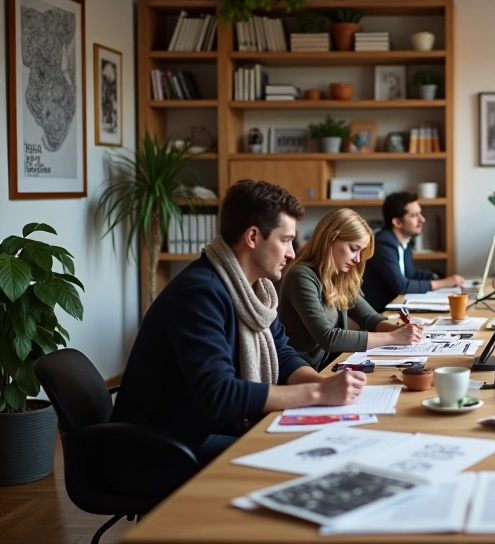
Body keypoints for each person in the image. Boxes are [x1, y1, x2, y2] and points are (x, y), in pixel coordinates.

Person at [111, 180, 366, 466]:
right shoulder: (201, 293)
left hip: (205, 429)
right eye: (285, 240)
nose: (292, 253)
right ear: (253, 237)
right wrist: (318, 393)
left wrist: (322, 382)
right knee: (307, 457)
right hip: (164, 445)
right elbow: (219, 394)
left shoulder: (255, 291)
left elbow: (282, 353)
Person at [278, 208, 424, 371]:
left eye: (361, 252)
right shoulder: (300, 275)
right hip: (300, 374)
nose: (358, 259)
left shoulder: (340, 275)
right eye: (354, 249)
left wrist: (399, 330)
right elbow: (329, 338)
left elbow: (369, 318)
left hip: (328, 367)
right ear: (330, 239)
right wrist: (393, 337)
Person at [362, 191, 464, 312]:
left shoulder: (405, 242)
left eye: (420, 214)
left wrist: (437, 276)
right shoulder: (383, 243)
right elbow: (402, 286)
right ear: (397, 222)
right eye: (414, 215)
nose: (422, 219)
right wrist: (445, 282)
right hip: (380, 313)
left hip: (398, 308)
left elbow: (411, 274)